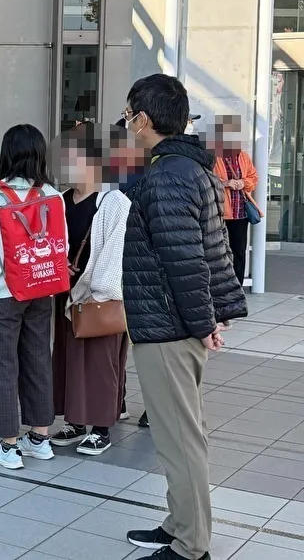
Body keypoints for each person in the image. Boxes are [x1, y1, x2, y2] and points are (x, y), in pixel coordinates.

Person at [120, 74, 247, 560]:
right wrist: (217, 314)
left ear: (146, 119)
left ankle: (191, 545)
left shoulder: (167, 177)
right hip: (178, 325)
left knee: (179, 440)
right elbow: (213, 252)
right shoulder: (190, 170)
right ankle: (180, 524)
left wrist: (203, 322)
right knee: (182, 433)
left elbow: (186, 261)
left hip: (168, 329)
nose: (127, 124)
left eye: (130, 115)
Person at [0, 124, 63, 469]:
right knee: (37, 358)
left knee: (3, 363)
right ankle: (40, 437)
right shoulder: (52, 194)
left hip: (3, 292)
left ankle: (8, 445)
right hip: (42, 286)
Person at [50, 124, 131, 457]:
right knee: (69, 358)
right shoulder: (59, 200)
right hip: (64, 293)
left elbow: (116, 252)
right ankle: (76, 421)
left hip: (98, 296)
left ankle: (101, 427)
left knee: (101, 361)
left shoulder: (114, 203)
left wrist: (95, 285)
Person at [208, 115, 258, 286]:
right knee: (219, 252)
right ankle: (222, 286)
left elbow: (253, 178)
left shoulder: (243, 157)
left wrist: (243, 183)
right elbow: (208, 181)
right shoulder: (213, 156)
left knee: (239, 251)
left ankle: (238, 286)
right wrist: (226, 184)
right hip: (221, 214)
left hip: (240, 214)